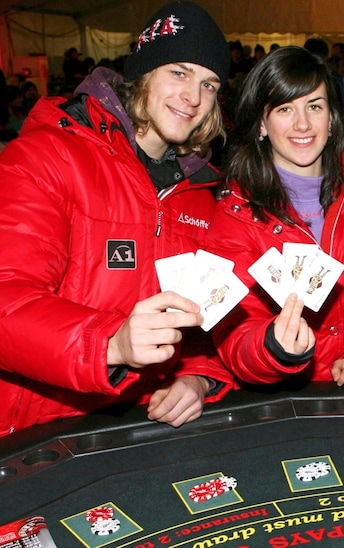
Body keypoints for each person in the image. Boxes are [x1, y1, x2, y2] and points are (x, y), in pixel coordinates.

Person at [0, 1, 235, 438]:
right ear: (141, 75)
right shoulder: (45, 157)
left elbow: (206, 319)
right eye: (178, 72)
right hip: (33, 433)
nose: (193, 97)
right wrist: (112, 344)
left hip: (137, 434)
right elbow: (6, 301)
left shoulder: (203, 194)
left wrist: (198, 377)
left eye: (210, 84)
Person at [204, 46, 344, 389]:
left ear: (331, 118)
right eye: (285, 109)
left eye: (314, 106)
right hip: (283, 403)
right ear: (261, 123)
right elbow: (230, 330)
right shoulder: (234, 214)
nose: (303, 124)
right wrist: (272, 349)